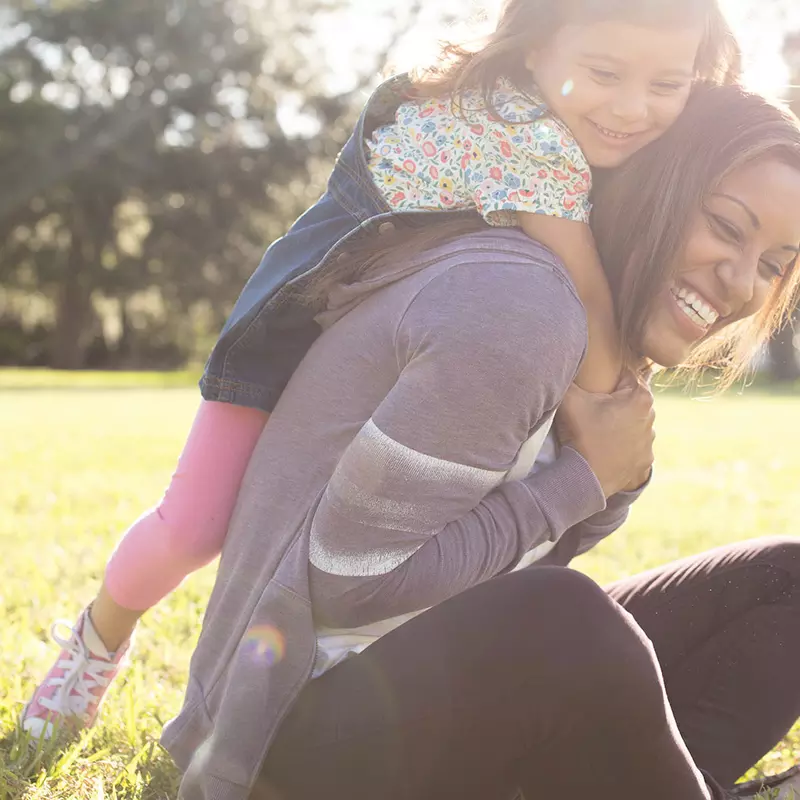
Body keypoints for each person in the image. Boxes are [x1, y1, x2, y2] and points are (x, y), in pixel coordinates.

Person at [22, 0, 741, 740]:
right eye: (605, 73)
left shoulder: (572, 129)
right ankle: (94, 645)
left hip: (402, 339)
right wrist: (614, 407)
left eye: (667, 84)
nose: (632, 107)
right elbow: (588, 292)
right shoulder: (529, 139)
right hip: (298, 323)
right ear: (534, 51)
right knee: (196, 524)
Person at [158, 82, 800, 800]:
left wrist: (608, 448)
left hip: (411, 688)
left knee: (788, 580)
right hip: (275, 742)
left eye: (775, 264)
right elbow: (349, 581)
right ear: (658, 183)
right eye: (727, 225)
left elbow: (523, 557)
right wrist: (584, 479)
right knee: (565, 618)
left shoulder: (596, 345)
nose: (743, 282)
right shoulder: (518, 308)